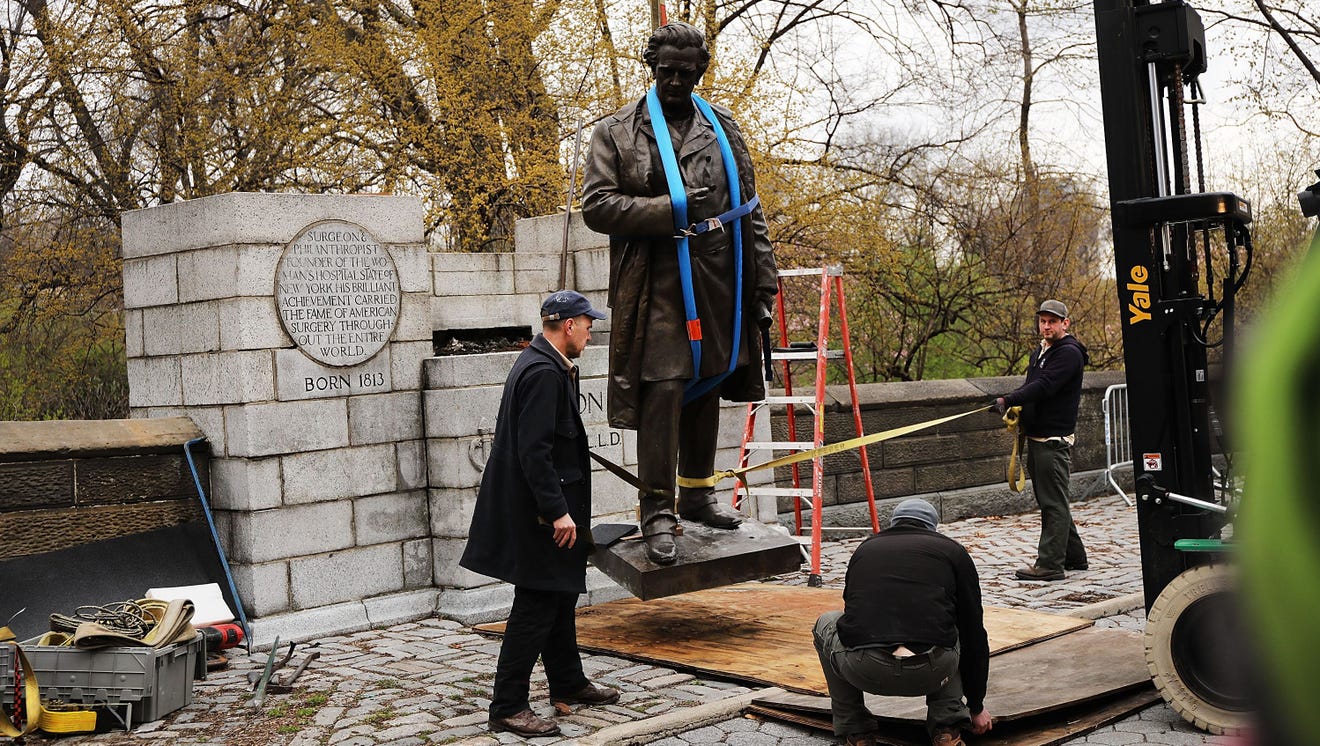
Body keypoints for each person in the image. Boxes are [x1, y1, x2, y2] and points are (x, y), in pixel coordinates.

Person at [581, 21, 779, 565]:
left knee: (707, 381)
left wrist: (763, 282)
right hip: (657, 283)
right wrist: (671, 209)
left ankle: (696, 494)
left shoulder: (724, 130)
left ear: (699, 72)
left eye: (685, 73)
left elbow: (750, 209)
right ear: (652, 66)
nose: (674, 81)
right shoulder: (617, 132)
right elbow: (597, 206)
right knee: (664, 389)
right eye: (665, 71)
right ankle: (657, 512)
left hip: (719, 281)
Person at [459, 290, 621, 737]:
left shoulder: (546, 364)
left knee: (560, 595)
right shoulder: (543, 373)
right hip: (541, 516)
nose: (591, 331)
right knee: (535, 605)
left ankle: (567, 681)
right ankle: (507, 706)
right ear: (568, 325)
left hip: (547, 511)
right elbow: (535, 452)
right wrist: (557, 513)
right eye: (587, 324)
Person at [813, 499, 994, 746]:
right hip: (931, 670)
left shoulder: (865, 549)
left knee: (827, 621)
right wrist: (976, 706)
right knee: (958, 624)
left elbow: (851, 614)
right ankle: (947, 728)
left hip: (864, 669)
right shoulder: (953, 552)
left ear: (893, 523)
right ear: (933, 528)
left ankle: (856, 732)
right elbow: (975, 634)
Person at [993, 299, 1091, 581]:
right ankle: (1075, 557)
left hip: (1052, 439)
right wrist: (1014, 406)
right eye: (1043, 321)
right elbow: (1031, 386)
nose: (1046, 326)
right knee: (1053, 499)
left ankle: (1049, 564)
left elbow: (1045, 386)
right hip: (1037, 436)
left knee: (1053, 504)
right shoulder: (1041, 351)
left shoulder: (1069, 354)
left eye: (1052, 321)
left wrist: (1008, 398)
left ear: (1065, 323)